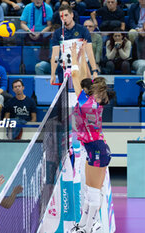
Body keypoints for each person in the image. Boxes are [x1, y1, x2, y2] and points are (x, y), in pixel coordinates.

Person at [69, 42, 112, 233]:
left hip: (97, 148)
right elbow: (85, 77)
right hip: (93, 147)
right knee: (89, 191)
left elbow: (76, 77)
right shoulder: (93, 100)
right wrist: (81, 56)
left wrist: (72, 56)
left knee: (93, 192)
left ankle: (88, 228)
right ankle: (83, 225)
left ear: (95, 91)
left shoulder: (86, 104)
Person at [50, 5, 98, 85]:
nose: (64, 18)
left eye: (66, 15)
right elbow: (55, 55)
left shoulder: (83, 30)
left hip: (82, 68)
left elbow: (89, 52)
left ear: (72, 15)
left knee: (82, 94)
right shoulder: (57, 33)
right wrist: (53, 74)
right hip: (64, 69)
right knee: (64, 96)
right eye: (61, 16)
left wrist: (94, 71)